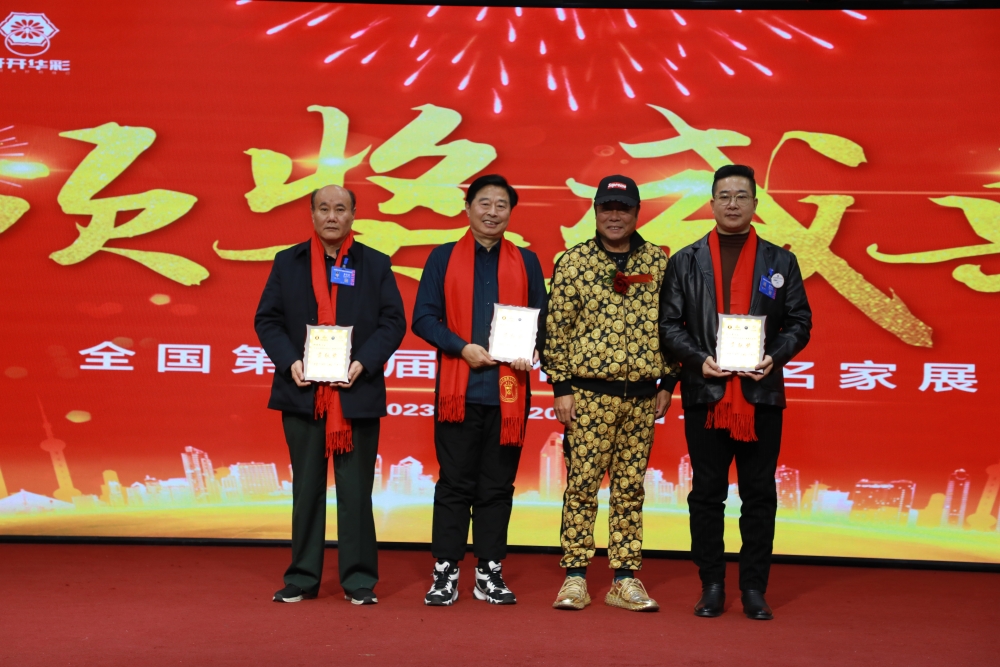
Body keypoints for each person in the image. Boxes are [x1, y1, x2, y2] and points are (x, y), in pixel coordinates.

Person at [659, 165, 812, 620]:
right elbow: (668, 325)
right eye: (724, 196)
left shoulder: (780, 262)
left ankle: (753, 588)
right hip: (706, 392)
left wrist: (774, 356)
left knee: (759, 493)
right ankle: (711, 584)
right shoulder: (685, 261)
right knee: (706, 494)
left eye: (741, 196)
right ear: (711, 203)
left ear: (755, 204)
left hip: (760, 394)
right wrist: (696, 358)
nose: (732, 204)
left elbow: (800, 321)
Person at [255, 184, 406, 606]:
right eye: (324, 208)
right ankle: (302, 577)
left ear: (354, 215)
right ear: (312, 214)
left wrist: (364, 362)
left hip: (356, 392)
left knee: (356, 491)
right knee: (306, 489)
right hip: (302, 392)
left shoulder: (374, 264)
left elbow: (393, 321)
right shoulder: (288, 262)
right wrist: (289, 361)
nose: (332, 216)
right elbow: (267, 320)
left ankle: (359, 579)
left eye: (340, 209)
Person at [543, 175, 678, 612]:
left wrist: (668, 382)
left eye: (623, 208)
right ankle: (575, 577)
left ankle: (625, 579)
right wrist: (561, 387)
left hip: (641, 397)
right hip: (588, 395)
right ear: (595, 211)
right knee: (581, 486)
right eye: (607, 208)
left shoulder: (658, 262)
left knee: (630, 489)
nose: (614, 216)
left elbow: (673, 325)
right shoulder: (574, 262)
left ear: (637, 212)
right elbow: (556, 330)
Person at [412, 174, 546, 606]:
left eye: (501, 205)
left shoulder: (527, 262)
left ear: (511, 212)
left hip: (509, 395)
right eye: (484, 203)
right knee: (454, 484)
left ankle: (490, 571)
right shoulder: (442, 258)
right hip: (459, 391)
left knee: (498, 486)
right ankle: (445, 571)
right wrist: (461, 347)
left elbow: (542, 321)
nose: (492, 212)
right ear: (467, 208)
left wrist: (533, 349)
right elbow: (423, 318)